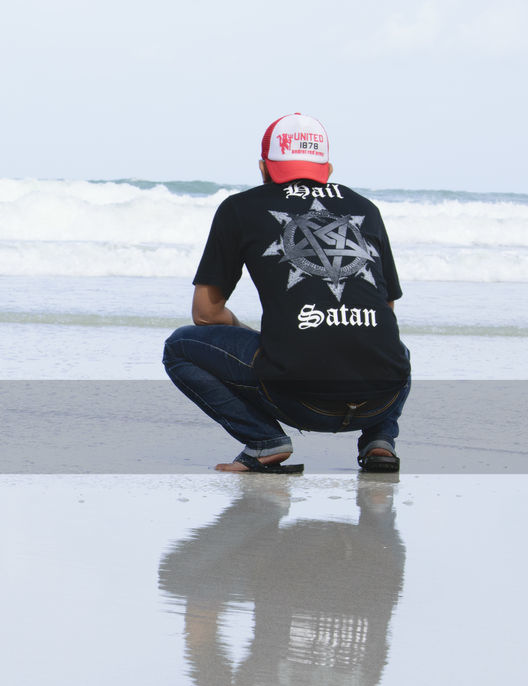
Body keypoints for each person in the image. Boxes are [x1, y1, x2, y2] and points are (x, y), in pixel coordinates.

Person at [163, 113, 411, 473]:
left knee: (179, 347)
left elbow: (205, 314)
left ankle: (265, 441)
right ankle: (380, 441)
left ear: (264, 167)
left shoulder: (239, 208)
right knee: (391, 345)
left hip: (299, 400)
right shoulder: (366, 209)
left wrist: (266, 340)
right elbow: (385, 312)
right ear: (327, 166)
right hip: (381, 400)